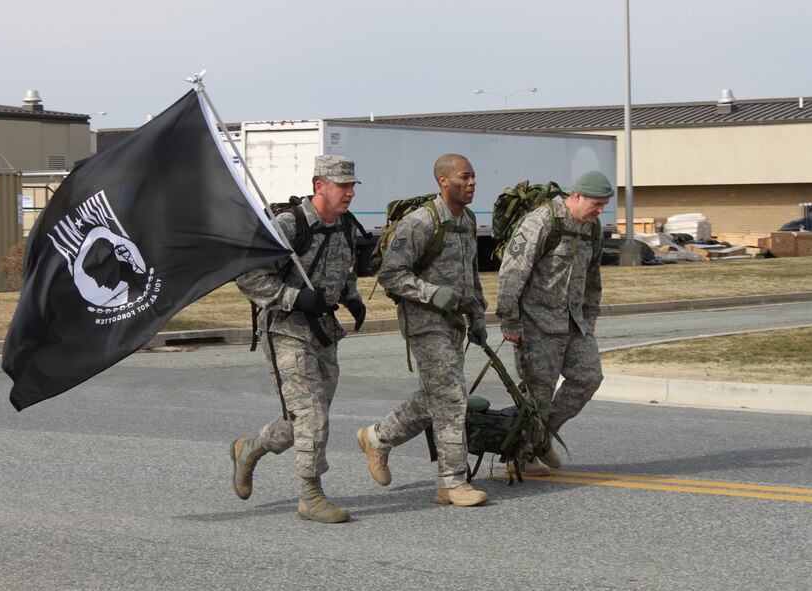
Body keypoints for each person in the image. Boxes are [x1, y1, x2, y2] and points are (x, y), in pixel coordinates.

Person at [231, 155, 366, 524]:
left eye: (353, 185)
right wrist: (295, 297)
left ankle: (249, 450)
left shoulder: (345, 226)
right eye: (343, 185)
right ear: (319, 185)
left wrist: (351, 296)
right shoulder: (289, 226)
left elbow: (344, 269)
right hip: (285, 330)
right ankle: (311, 496)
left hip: (323, 331)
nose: (350, 192)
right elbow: (247, 276)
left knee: (299, 422)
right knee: (313, 413)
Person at [356, 153, 490, 507]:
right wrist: (432, 293)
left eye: (474, 176)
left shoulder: (468, 220)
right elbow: (391, 274)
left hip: (454, 324)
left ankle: (377, 438)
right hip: (424, 322)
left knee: (437, 396)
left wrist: (477, 316)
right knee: (450, 396)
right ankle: (450, 482)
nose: (472, 182)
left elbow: (470, 274)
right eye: (465, 177)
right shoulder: (420, 222)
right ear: (444, 181)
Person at [495, 169, 612, 476]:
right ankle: (520, 456)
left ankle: (540, 439)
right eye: (596, 204)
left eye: (604, 206)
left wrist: (591, 315)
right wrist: (510, 320)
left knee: (589, 377)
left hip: (574, 322)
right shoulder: (542, 220)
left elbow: (593, 276)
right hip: (536, 324)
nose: (600, 211)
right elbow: (512, 271)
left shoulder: (592, 227)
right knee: (538, 396)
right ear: (576, 196)